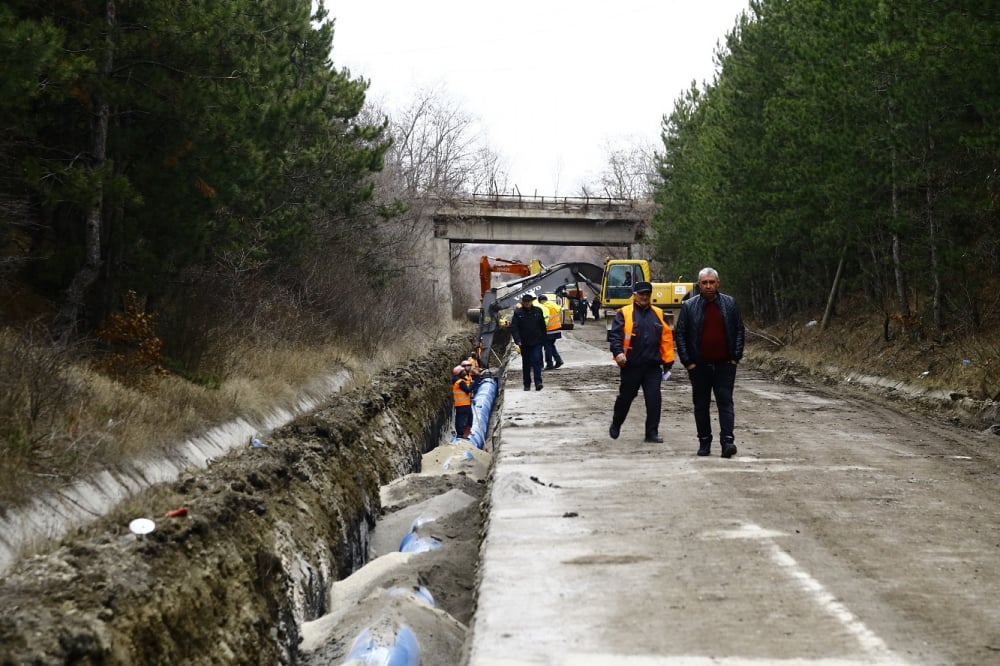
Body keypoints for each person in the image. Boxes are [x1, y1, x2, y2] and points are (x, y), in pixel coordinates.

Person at [673, 267, 745, 458]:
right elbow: (680, 334)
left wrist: (735, 357)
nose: (708, 286)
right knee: (701, 405)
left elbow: (739, 330)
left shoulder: (729, 304)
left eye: (711, 282)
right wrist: (688, 362)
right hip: (699, 366)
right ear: (699, 284)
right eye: (704, 282)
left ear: (718, 283)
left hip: (724, 365)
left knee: (725, 402)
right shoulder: (689, 306)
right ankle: (704, 442)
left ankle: (727, 442)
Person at [608, 281, 675, 443]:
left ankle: (651, 433)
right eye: (641, 294)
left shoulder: (658, 313)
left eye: (647, 294)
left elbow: (666, 339)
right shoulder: (624, 313)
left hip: (652, 367)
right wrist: (618, 353)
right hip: (631, 366)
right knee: (625, 397)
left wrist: (668, 363)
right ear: (635, 295)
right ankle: (616, 423)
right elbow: (615, 337)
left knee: (654, 400)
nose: (644, 297)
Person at [510, 293, 547, 390]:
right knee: (526, 363)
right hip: (524, 342)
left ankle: (538, 382)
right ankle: (527, 384)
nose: (527, 304)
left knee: (536, 361)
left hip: (537, 341)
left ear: (531, 302)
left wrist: (543, 339)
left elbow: (542, 326)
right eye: (525, 302)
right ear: (522, 302)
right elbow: (514, 327)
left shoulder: (538, 311)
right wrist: (517, 339)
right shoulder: (518, 313)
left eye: (528, 302)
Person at [537, 294, 564, 370]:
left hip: (549, 330)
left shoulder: (544, 307)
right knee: (551, 346)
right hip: (557, 329)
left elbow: (543, 320)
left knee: (547, 347)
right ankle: (558, 360)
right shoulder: (553, 304)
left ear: (541, 301)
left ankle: (549, 364)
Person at [452, 364, 473, 438]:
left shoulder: (455, 381)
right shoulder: (460, 381)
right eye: (462, 370)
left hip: (459, 403)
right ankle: (461, 434)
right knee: (463, 419)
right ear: (460, 372)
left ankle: (460, 434)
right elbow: (467, 390)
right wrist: (472, 385)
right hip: (464, 404)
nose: (464, 371)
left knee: (459, 419)